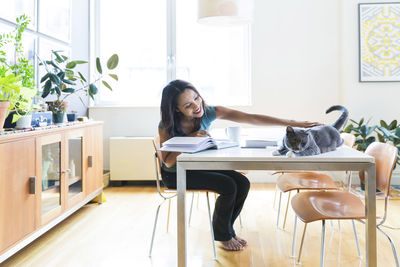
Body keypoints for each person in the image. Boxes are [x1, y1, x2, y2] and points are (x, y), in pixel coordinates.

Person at [158, 80, 321, 251]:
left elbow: (250, 118)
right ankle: (223, 235)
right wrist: (189, 138)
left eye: (197, 98)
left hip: (195, 167)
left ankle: (227, 230)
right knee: (228, 186)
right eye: (188, 105)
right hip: (175, 174)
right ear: (177, 109)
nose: (197, 106)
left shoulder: (208, 112)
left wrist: (295, 123)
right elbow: (167, 161)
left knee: (243, 183)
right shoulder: (167, 125)